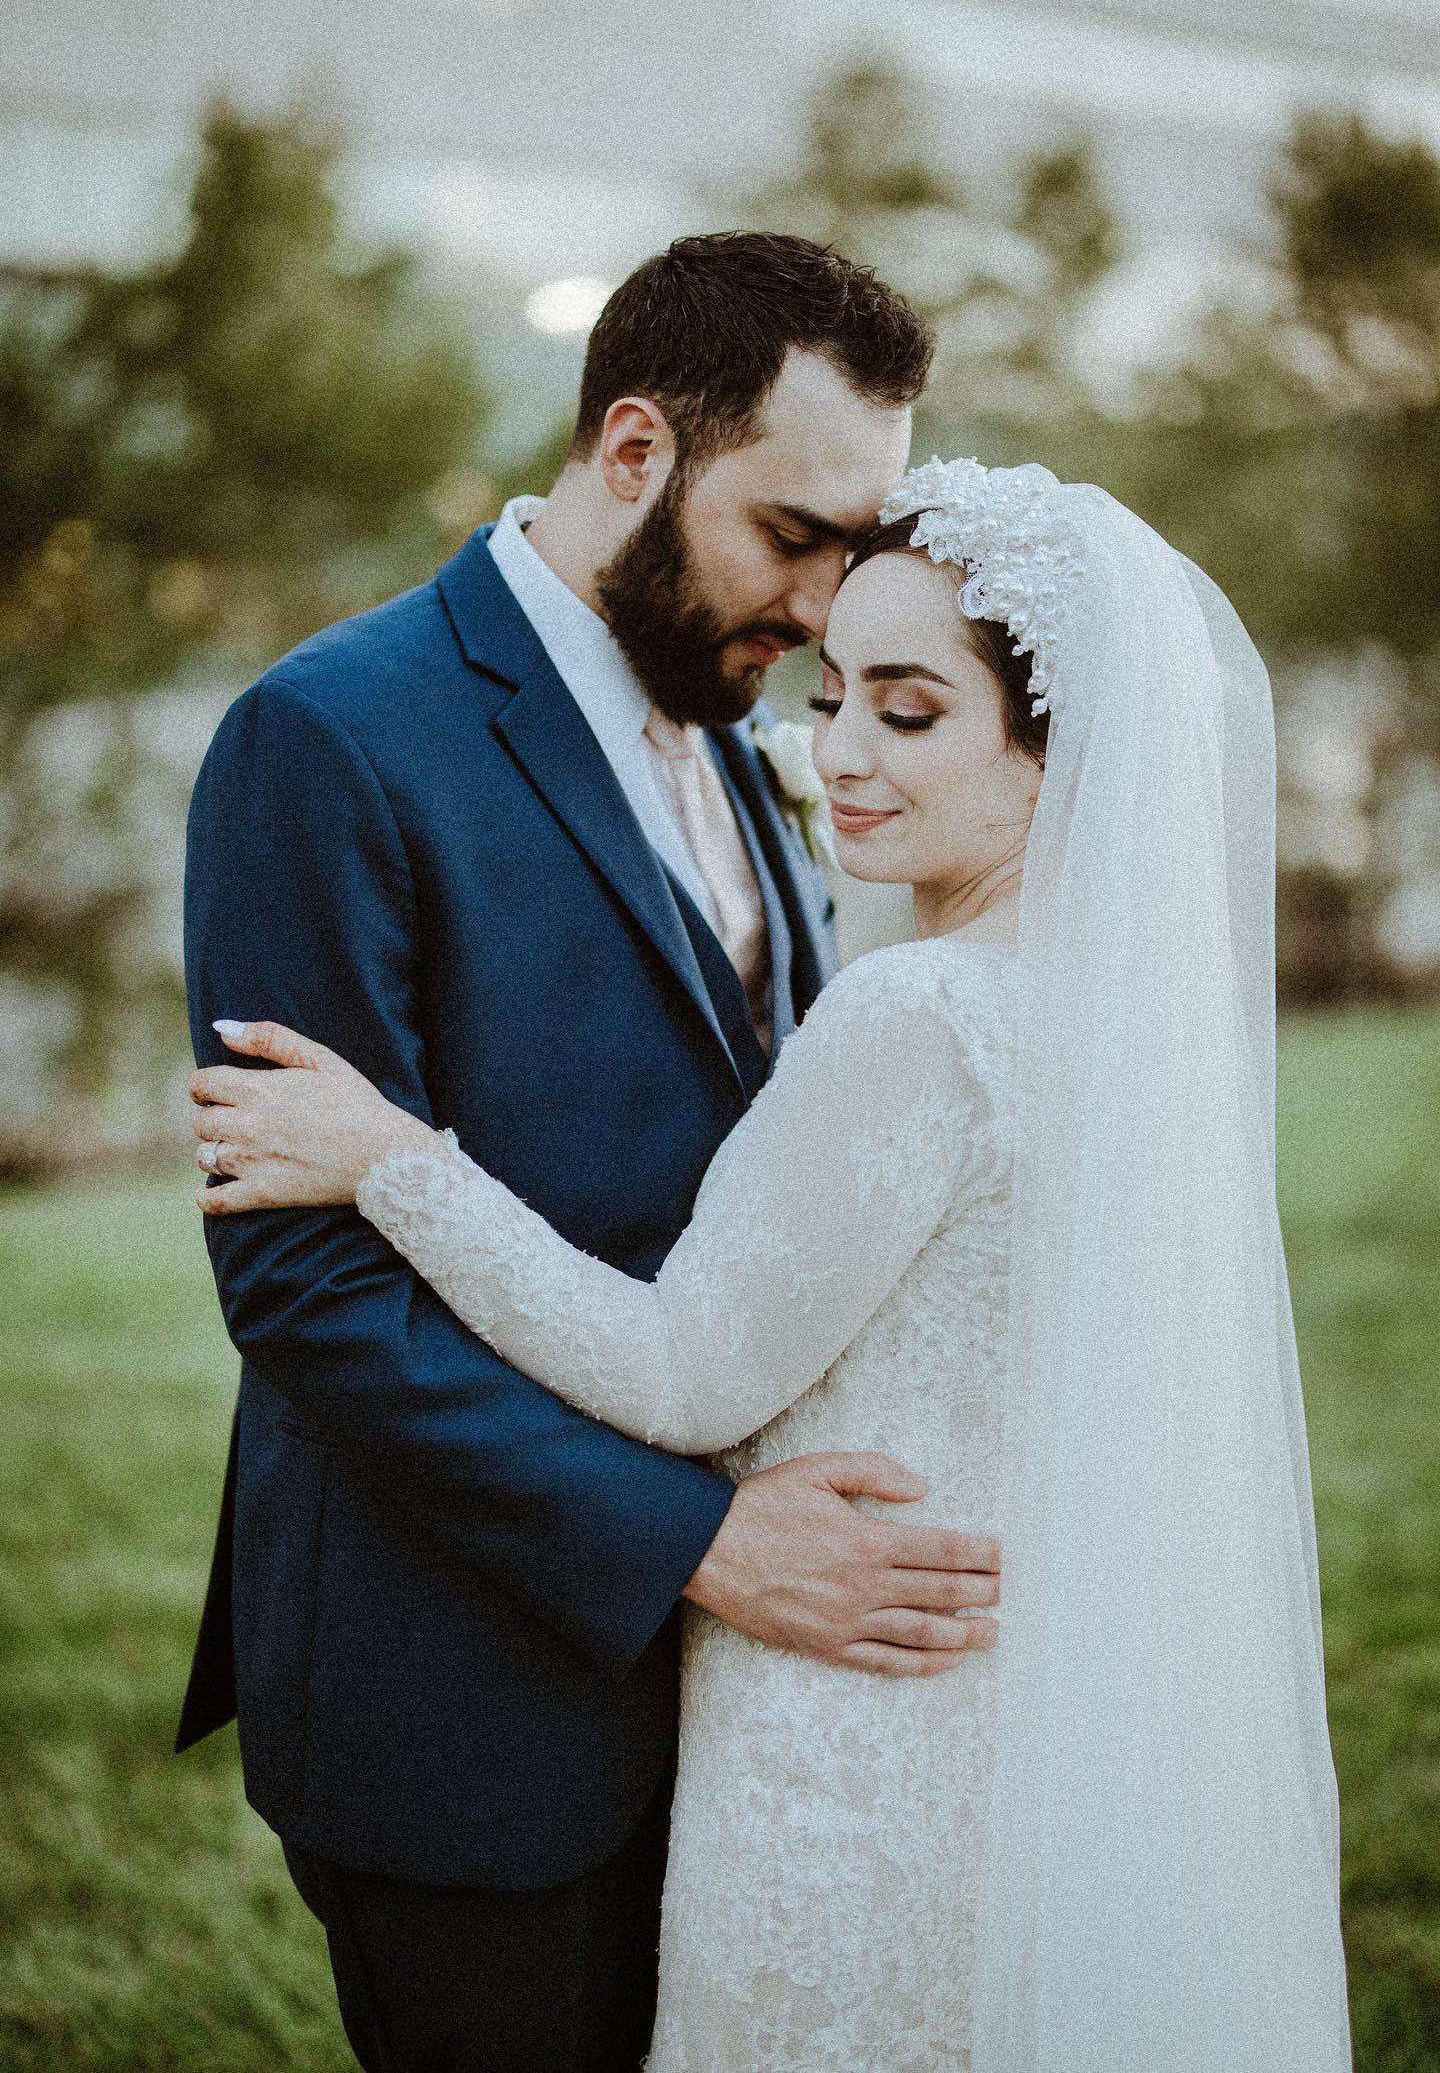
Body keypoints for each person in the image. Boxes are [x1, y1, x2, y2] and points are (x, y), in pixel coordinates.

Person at [191, 459, 1354, 2071]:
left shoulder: (922, 1012)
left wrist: (394, 1159)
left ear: (1058, 755)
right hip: (1018, 1724)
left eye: (912, 710)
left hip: (850, 1728)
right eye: (834, 693)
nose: (834, 751)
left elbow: (682, 1370)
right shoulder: (1133, 1020)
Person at [177, 233, 1004, 2073]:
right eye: (790, 533)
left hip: (752, 1711)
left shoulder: (759, 735)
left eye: (850, 553)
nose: (819, 603)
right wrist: (703, 1543)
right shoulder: (326, 736)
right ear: (634, 451)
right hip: (461, 1686)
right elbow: (304, 1285)